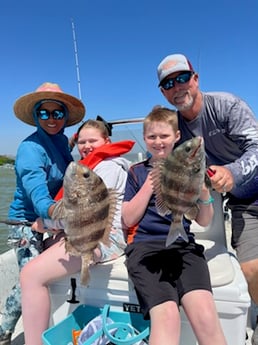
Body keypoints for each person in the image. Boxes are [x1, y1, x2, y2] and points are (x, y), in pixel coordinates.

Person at [156, 53, 258, 344]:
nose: (177, 87)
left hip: (246, 182)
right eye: (168, 84)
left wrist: (233, 172)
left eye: (182, 78)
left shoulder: (226, 105)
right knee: (251, 269)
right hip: (242, 203)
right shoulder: (176, 127)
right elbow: (164, 157)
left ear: (195, 79)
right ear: (163, 92)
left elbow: (256, 145)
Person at [20, 119, 134, 345]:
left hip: (102, 238)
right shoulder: (98, 165)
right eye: (82, 141)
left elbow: (88, 213)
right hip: (86, 232)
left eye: (93, 140)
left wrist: (46, 223)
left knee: (29, 275)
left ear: (107, 141)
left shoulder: (108, 167)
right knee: (39, 252)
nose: (87, 146)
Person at [122, 107, 227, 345]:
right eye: (152, 137)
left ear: (177, 137)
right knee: (167, 316)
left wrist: (202, 193)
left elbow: (203, 220)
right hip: (144, 248)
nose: (158, 142)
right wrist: (150, 184)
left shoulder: (190, 169)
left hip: (183, 246)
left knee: (206, 315)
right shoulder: (136, 172)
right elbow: (128, 219)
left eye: (164, 136)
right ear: (145, 138)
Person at [0, 82, 85, 345]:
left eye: (57, 113)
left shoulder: (61, 142)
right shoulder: (29, 149)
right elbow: (38, 194)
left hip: (53, 221)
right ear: (36, 116)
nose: (51, 119)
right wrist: (56, 219)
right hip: (27, 223)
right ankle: (8, 331)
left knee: (32, 278)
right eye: (44, 113)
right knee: (31, 279)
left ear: (64, 117)